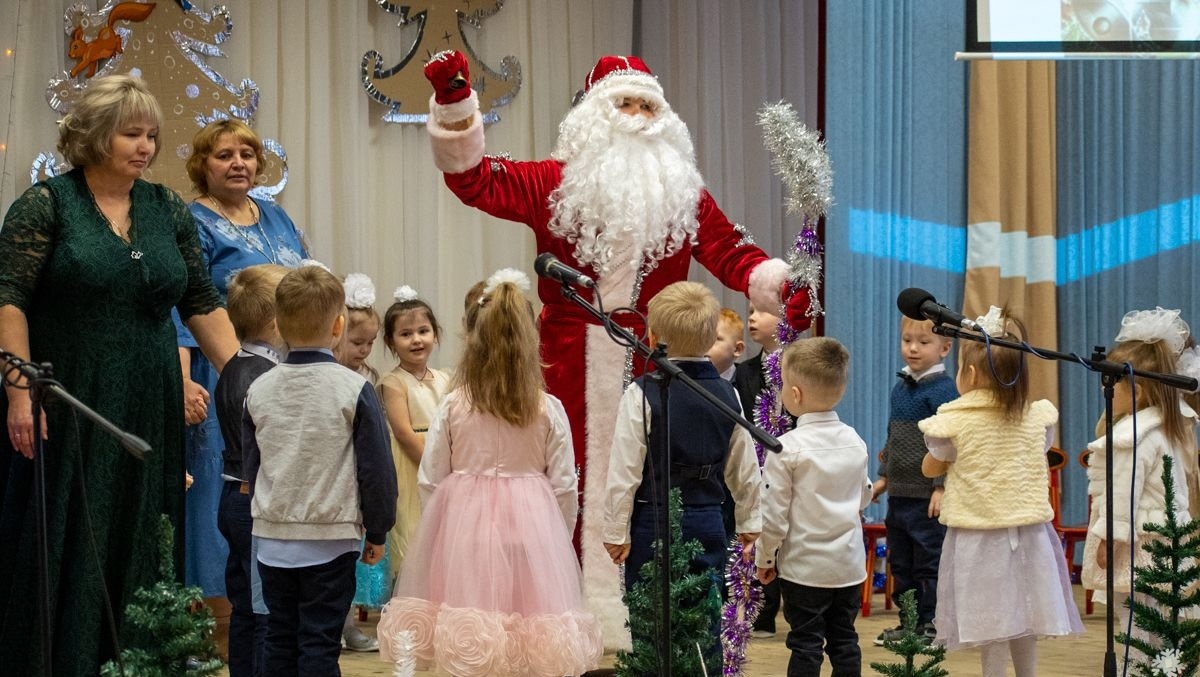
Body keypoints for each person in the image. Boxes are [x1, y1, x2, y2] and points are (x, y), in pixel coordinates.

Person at [422, 50, 812, 642]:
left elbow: (732, 252)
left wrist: (782, 286)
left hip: (655, 362)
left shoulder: (684, 194)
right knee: (560, 478)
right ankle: (557, 611)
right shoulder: (553, 182)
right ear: (592, 116)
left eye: (647, 106)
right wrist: (455, 102)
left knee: (651, 482)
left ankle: (642, 615)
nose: (636, 116)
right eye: (623, 103)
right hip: (563, 360)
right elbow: (475, 180)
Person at [0, 73, 240, 677]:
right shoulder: (47, 204)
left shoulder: (165, 208)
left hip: (149, 397)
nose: (146, 147)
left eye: (152, 135)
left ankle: (140, 662)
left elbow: (201, 301)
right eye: (132, 134)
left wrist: (247, 381)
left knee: (144, 527)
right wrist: (19, 391)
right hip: (68, 397)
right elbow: (8, 300)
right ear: (94, 135)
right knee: (72, 531)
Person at [376, 269, 602, 677]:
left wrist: (442, 529)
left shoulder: (454, 404)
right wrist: (555, 535)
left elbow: (431, 478)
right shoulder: (547, 408)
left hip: (468, 530)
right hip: (532, 531)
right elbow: (565, 485)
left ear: (473, 339)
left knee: (475, 628)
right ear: (530, 339)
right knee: (527, 631)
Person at [242, 265, 398, 676]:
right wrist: (378, 530)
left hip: (272, 540)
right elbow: (377, 470)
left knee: (279, 637)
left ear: (277, 325)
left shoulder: (258, 389)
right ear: (339, 326)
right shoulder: (354, 389)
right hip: (331, 541)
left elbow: (252, 465)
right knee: (319, 644)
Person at [177, 118, 309, 599]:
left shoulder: (276, 215)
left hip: (289, 372)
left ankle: (279, 597)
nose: (238, 163)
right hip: (222, 373)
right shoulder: (192, 221)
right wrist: (183, 379)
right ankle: (216, 605)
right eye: (225, 155)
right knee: (227, 482)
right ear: (202, 164)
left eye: (247, 154)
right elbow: (181, 304)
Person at [602, 281, 762, 666]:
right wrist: (750, 520)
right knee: (705, 613)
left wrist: (616, 530)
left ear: (653, 336)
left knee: (650, 617)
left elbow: (624, 469)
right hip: (707, 518)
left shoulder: (641, 393)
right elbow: (744, 465)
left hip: (653, 518)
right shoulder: (727, 394)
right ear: (709, 337)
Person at [919, 306, 1083, 677]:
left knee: (990, 619)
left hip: (980, 536)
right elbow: (1036, 452)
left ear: (970, 374)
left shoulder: (957, 421)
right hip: (1030, 534)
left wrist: (942, 459)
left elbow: (931, 465)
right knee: (1026, 612)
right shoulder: (1035, 418)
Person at [1081, 307, 1198, 662]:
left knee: (1134, 622)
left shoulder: (1133, 436)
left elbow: (1122, 493)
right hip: (1166, 542)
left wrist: (1109, 539)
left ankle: (1137, 669)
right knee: (1159, 621)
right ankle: (1161, 668)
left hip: (1137, 545)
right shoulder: (1170, 427)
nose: (1106, 386)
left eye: (1113, 380)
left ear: (1139, 389)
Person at [755, 337, 872, 677]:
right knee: (845, 640)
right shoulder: (854, 440)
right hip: (849, 567)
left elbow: (774, 516)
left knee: (805, 644)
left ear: (795, 394)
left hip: (804, 569)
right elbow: (863, 496)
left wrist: (765, 558)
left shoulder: (785, 449)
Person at [213, 263, 290, 677]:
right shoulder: (266, 378)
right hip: (253, 501)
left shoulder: (233, 365)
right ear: (278, 322)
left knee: (245, 608)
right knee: (264, 613)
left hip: (233, 497)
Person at [870, 316, 957, 646]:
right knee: (901, 563)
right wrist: (883, 478)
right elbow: (893, 437)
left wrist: (941, 485)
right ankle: (908, 623)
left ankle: (932, 624)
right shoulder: (901, 387)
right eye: (907, 340)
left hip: (926, 496)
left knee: (928, 562)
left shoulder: (944, 390)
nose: (913, 348)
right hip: (900, 494)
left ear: (944, 348)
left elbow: (949, 442)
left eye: (923, 342)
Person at [377, 285, 450, 589]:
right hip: (411, 465)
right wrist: (432, 466)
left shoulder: (447, 378)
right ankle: (407, 598)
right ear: (391, 342)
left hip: (443, 460)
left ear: (435, 334)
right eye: (406, 334)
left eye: (423, 331)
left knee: (441, 537)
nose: (416, 340)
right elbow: (403, 432)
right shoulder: (393, 382)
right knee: (412, 533)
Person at [333, 272, 387, 652]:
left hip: (360, 483)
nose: (365, 350)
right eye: (357, 342)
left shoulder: (369, 377)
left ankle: (350, 624)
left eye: (370, 343)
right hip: (337, 481)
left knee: (354, 562)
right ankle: (333, 627)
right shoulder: (332, 378)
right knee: (335, 564)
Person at [735, 301, 793, 638]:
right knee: (757, 532)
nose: (753, 318)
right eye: (750, 311)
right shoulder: (744, 372)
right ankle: (761, 611)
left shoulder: (798, 367)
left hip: (790, 464)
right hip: (754, 467)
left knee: (789, 534)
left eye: (762, 311)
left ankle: (796, 608)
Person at [708, 307, 747, 382]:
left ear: (737, 349)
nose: (704, 345)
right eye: (701, 339)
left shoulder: (748, 382)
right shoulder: (688, 379)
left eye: (714, 339)